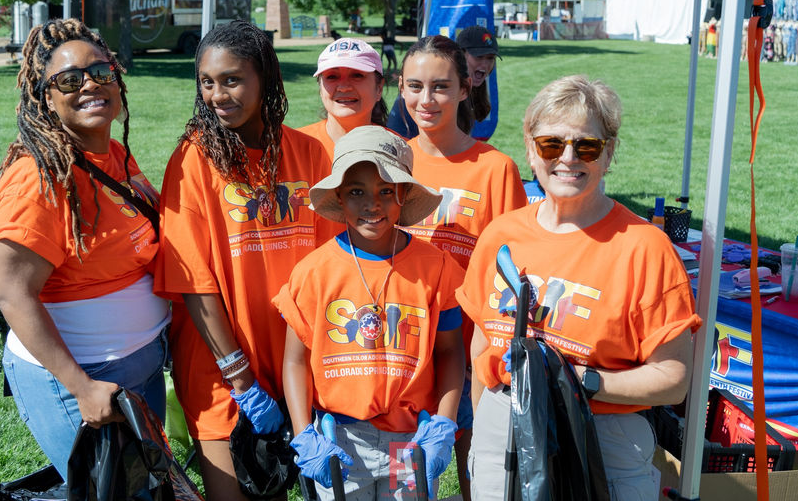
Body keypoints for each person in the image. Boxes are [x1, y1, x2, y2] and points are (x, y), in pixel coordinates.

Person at [457, 75, 703, 501]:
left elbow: (674, 379)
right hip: (503, 426)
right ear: (532, 151)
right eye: (552, 144)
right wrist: (488, 426)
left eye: (585, 146)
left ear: (608, 154)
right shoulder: (502, 234)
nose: (567, 158)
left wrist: (581, 382)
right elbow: (482, 347)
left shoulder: (644, 248)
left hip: (601, 436)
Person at [155, 20, 333, 500]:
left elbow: (330, 264)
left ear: (266, 79)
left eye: (232, 79)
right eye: (207, 82)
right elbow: (192, 278)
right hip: (222, 367)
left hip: (298, 360)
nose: (217, 94)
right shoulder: (193, 161)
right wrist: (240, 377)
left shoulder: (310, 152)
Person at [0, 18, 169, 482]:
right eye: (70, 79)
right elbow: (11, 293)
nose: (90, 85)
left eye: (101, 72)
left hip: (142, 367)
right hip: (79, 380)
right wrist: (81, 387)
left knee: (146, 487)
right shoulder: (37, 179)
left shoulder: (113, 156)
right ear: (46, 97)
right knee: (115, 494)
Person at [274, 126, 465, 500]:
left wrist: (444, 420)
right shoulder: (313, 273)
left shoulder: (435, 267)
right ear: (339, 197)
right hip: (340, 442)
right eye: (357, 191)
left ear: (404, 196)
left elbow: (450, 351)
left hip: (409, 440)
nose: (371, 204)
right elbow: (295, 362)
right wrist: (303, 434)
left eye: (385, 191)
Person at [395, 34, 526, 501]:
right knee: (405, 479)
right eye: (414, 86)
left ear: (465, 87)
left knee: (479, 471)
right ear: (400, 87)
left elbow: (511, 268)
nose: (425, 100)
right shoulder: (394, 162)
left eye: (440, 87)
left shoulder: (495, 168)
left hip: (470, 348)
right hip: (403, 344)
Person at [386, 26, 500, 142]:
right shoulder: (431, 93)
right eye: (479, 57)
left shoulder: (473, 92)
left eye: (490, 58)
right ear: (461, 56)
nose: (485, 64)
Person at [298, 38, 388, 158]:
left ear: (379, 88)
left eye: (357, 75)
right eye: (332, 76)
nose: (344, 87)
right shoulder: (293, 146)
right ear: (320, 88)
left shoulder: (402, 151)